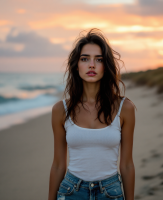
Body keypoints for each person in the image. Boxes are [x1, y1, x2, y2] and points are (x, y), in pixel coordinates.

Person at [48, 28, 136, 200]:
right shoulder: (60, 110)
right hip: (71, 191)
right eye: (85, 59)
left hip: (110, 192)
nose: (91, 65)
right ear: (76, 65)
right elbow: (58, 165)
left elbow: (126, 165)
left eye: (99, 59)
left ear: (106, 65)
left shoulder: (124, 108)